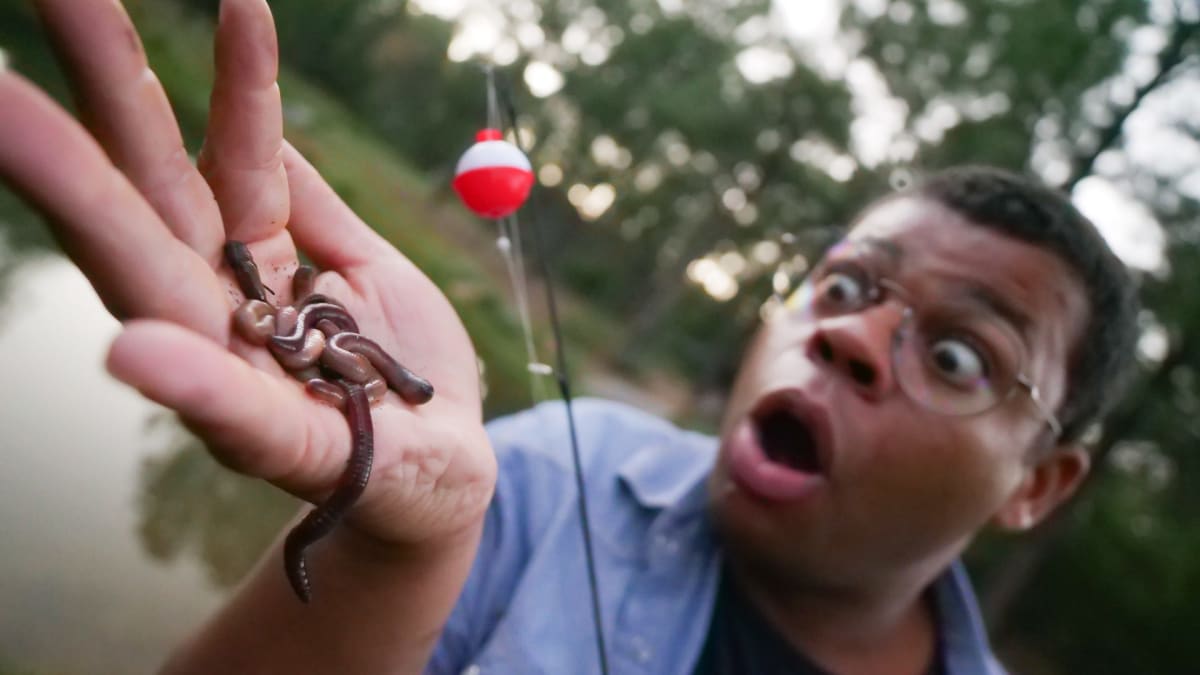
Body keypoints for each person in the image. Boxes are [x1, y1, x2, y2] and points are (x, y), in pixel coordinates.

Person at [0, 1, 1139, 674]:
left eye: (958, 355)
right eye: (845, 284)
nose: (851, 338)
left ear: (1038, 482)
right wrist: (407, 550)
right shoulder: (550, 480)